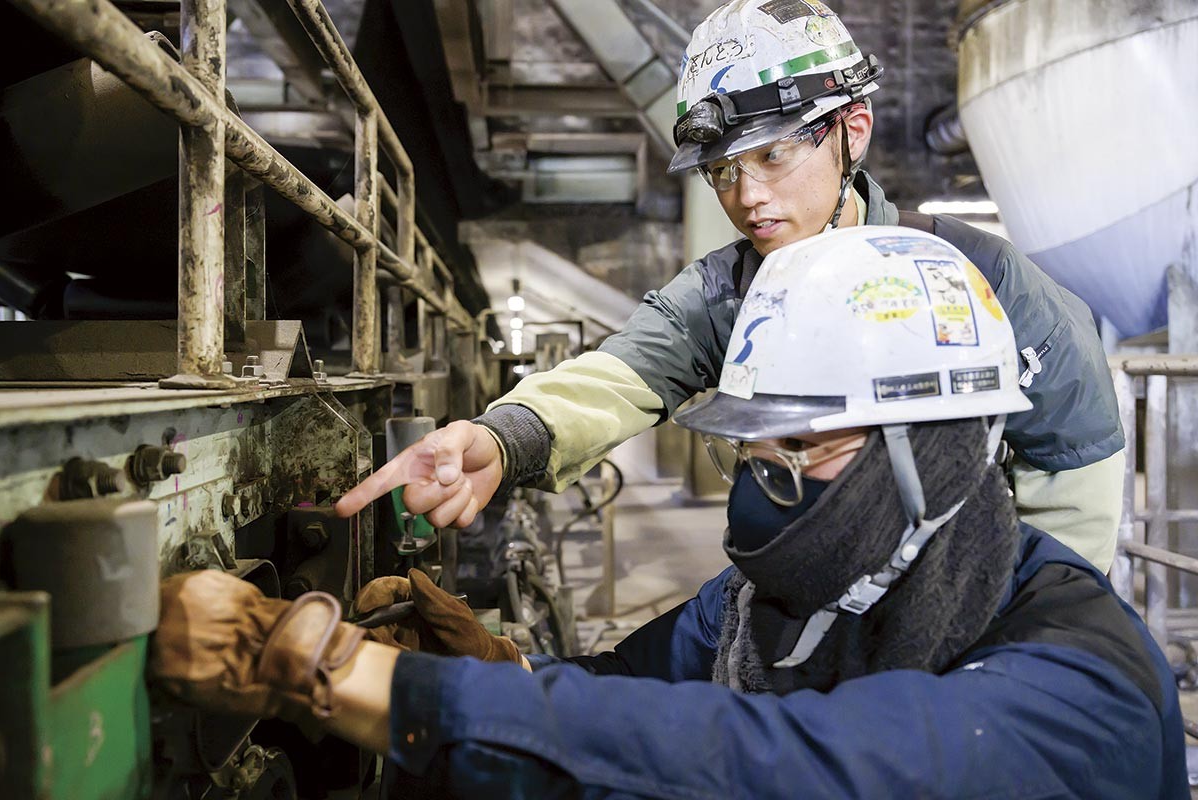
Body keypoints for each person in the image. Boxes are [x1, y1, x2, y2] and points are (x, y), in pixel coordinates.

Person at [152, 227, 1184, 799]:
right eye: (753, 450)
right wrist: (490, 669)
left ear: (946, 449)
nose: (765, 485)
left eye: (807, 447)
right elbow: (636, 692)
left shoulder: (1080, 677)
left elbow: (779, 765)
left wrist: (368, 681)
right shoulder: (775, 606)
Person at [335, 0, 1125, 573]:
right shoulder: (730, 291)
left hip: (961, 603)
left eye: (775, 155)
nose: (747, 199)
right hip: (813, 586)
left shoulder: (978, 277)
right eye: (723, 172)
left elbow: (1074, 470)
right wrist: (505, 440)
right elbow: (626, 370)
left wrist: (1040, 644)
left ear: (852, 130)